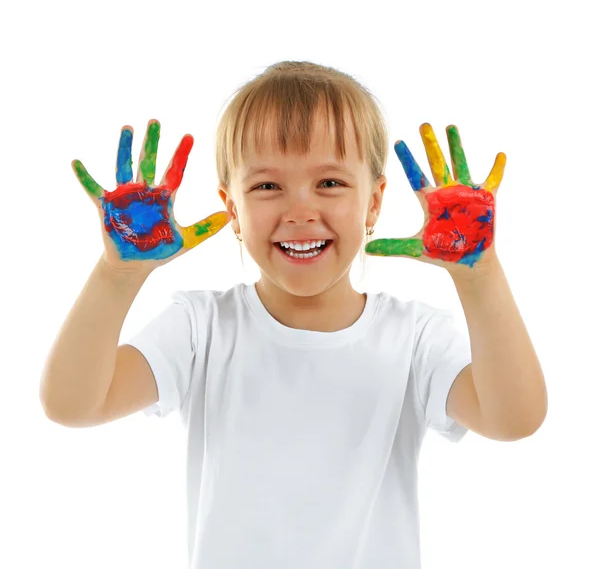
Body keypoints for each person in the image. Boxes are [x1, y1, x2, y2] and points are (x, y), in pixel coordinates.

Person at [39, 61, 547, 569]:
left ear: (373, 204)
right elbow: (72, 404)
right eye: (266, 187)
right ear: (232, 208)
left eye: (329, 182)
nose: (300, 210)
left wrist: (480, 277)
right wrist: (117, 276)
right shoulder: (200, 328)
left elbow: (515, 419)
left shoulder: (414, 337)